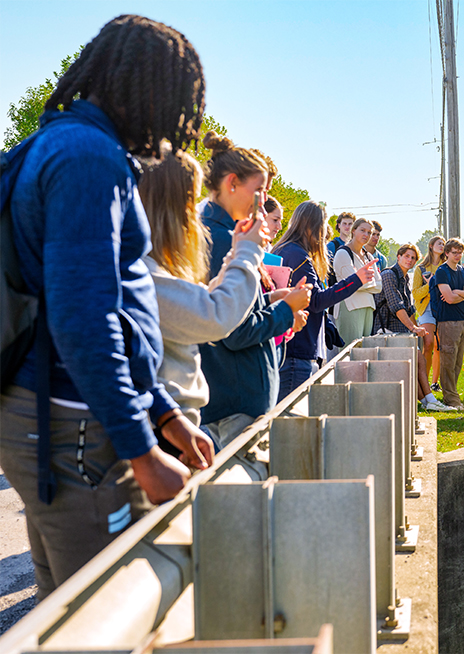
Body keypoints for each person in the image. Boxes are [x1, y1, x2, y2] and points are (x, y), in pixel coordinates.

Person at [0, 14, 212, 600]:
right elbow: (83, 319)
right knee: (106, 611)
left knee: (62, 606)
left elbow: (111, 305)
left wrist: (165, 414)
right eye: (177, 107)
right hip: (72, 420)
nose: (174, 131)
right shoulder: (88, 159)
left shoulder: (57, 141)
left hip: (53, 412)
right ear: (149, 90)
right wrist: (142, 451)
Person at [141, 148, 262, 451]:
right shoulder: (143, 272)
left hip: (173, 424)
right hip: (166, 431)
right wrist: (247, 254)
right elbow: (213, 317)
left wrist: (235, 252)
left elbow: (196, 304)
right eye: (190, 199)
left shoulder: (151, 266)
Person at [198, 132, 310, 445]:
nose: (262, 205)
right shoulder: (219, 239)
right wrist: (286, 311)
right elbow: (233, 329)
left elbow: (230, 304)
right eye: (258, 192)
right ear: (231, 183)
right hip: (235, 397)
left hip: (231, 394)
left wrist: (272, 298)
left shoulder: (221, 231)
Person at [275, 202, 377, 400]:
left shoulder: (287, 250)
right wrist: (357, 279)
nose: (326, 232)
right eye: (323, 226)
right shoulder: (298, 256)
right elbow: (316, 301)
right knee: (290, 420)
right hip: (297, 351)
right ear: (313, 226)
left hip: (293, 347)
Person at [373, 243, 453, 412]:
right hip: (387, 329)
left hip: (401, 329)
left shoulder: (405, 278)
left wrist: (415, 329)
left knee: (419, 361)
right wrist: (413, 328)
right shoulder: (388, 274)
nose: (410, 260)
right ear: (399, 256)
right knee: (414, 362)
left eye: (413, 258)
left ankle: (427, 400)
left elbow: (409, 308)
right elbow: (396, 304)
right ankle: (428, 400)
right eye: (407, 256)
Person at [431, 238, 464, 410]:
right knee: (448, 361)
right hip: (447, 321)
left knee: (457, 362)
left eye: (460, 252)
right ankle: (451, 400)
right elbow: (448, 299)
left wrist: (457, 292)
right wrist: (463, 294)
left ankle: (452, 393)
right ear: (447, 253)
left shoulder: (462, 270)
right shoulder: (442, 271)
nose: (457, 255)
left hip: (461, 320)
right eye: (454, 252)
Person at [331, 217, 382, 345]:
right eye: (362, 230)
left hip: (368, 307)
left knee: (364, 352)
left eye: (369, 232)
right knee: (350, 353)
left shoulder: (368, 256)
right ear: (353, 230)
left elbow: (379, 286)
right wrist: (367, 283)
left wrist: (361, 282)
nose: (366, 235)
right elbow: (353, 284)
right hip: (349, 306)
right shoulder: (343, 253)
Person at [412, 236, 445, 391]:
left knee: (440, 346)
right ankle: (423, 381)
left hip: (444, 308)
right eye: (439, 243)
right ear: (431, 246)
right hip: (427, 308)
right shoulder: (421, 269)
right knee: (428, 343)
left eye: (444, 244)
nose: (442, 246)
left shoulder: (447, 267)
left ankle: (435, 383)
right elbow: (416, 294)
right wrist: (430, 284)